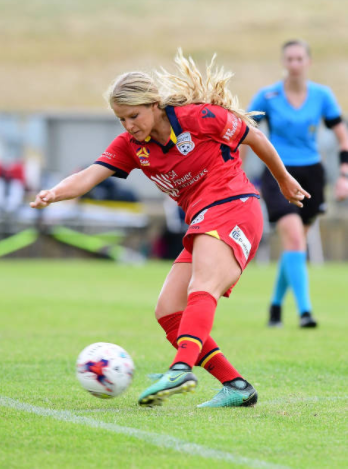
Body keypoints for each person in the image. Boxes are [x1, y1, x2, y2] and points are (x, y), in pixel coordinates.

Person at [31, 50, 309, 408]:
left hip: (234, 207)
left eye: (134, 115)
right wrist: (54, 193)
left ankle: (180, 368)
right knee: (168, 310)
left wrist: (284, 180)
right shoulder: (132, 146)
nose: (129, 125)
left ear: (154, 105)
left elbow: (254, 137)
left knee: (202, 285)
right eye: (121, 119)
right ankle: (236, 386)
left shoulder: (199, 118)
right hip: (203, 220)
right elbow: (88, 176)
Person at [242, 40, 348, 328]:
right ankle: (305, 312)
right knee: (295, 239)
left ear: (308, 62)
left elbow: (342, 136)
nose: (295, 64)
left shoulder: (322, 95)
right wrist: (237, 171)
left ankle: (275, 307)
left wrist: (343, 175)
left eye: (300, 58)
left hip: (312, 174)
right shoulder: (268, 96)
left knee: (295, 245)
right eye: (290, 59)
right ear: (283, 62)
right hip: (278, 172)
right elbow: (241, 129)